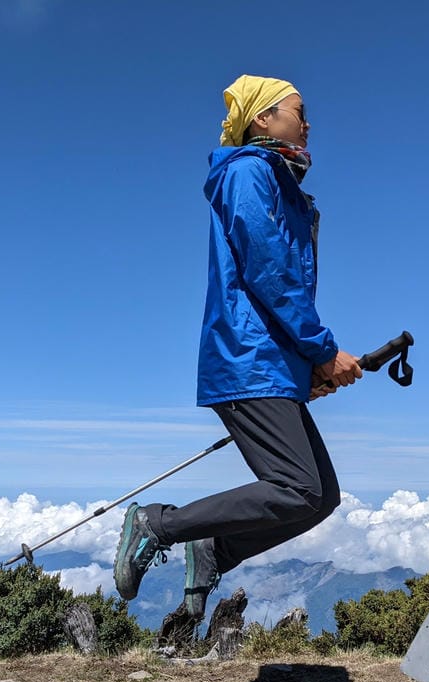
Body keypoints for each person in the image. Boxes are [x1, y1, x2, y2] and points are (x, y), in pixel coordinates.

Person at [113, 74, 362, 641]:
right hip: (247, 357)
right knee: (298, 487)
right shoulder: (249, 171)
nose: (308, 122)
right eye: (298, 110)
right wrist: (323, 351)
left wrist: (306, 367)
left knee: (320, 498)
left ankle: (213, 550)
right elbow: (268, 268)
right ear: (262, 119)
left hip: (270, 360)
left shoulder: (275, 177)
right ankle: (157, 524)